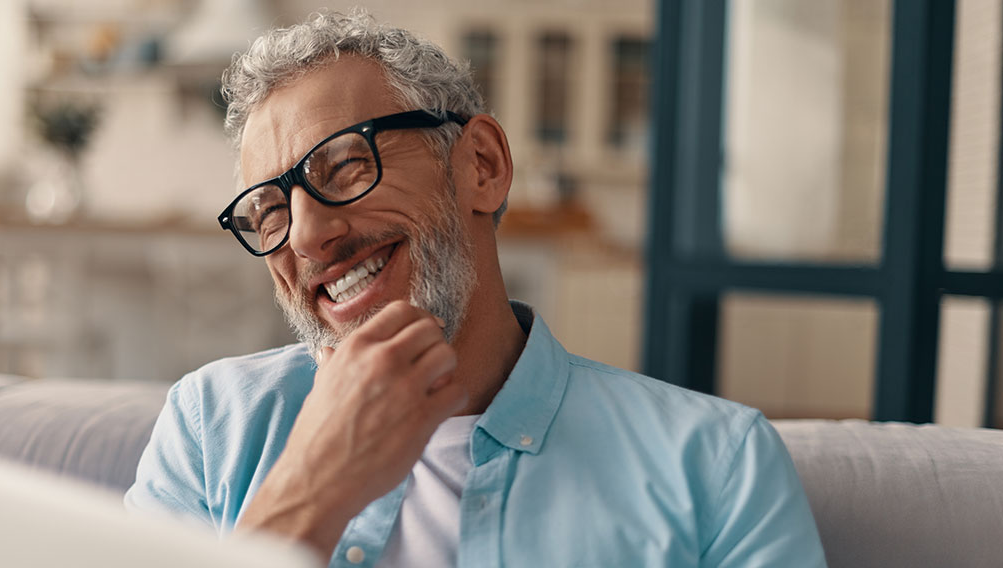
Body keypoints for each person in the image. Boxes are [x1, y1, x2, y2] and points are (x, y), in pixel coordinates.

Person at [125, 10, 827, 567]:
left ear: (482, 167)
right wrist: (313, 486)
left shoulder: (715, 465)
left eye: (344, 168)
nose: (306, 237)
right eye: (270, 212)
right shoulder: (209, 429)